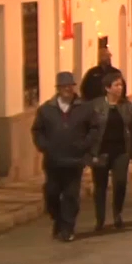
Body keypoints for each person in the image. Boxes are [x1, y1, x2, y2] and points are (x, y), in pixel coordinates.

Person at [31, 72, 99, 242]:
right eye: (64, 86)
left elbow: (95, 128)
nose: (67, 89)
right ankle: (58, 219)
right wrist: (44, 146)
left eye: (70, 86)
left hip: (74, 160)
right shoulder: (46, 110)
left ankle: (68, 227)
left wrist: (85, 144)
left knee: (71, 195)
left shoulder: (84, 108)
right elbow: (37, 130)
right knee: (52, 193)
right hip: (53, 160)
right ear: (58, 89)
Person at [89, 73, 132, 231]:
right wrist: (90, 152)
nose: (120, 88)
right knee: (100, 186)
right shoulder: (96, 106)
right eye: (116, 85)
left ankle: (118, 213)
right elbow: (88, 129)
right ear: (107, 88)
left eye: (121, 85)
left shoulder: (126, 106)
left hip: (120, 150)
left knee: (120, 183)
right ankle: (100, 219)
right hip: (101, 151)